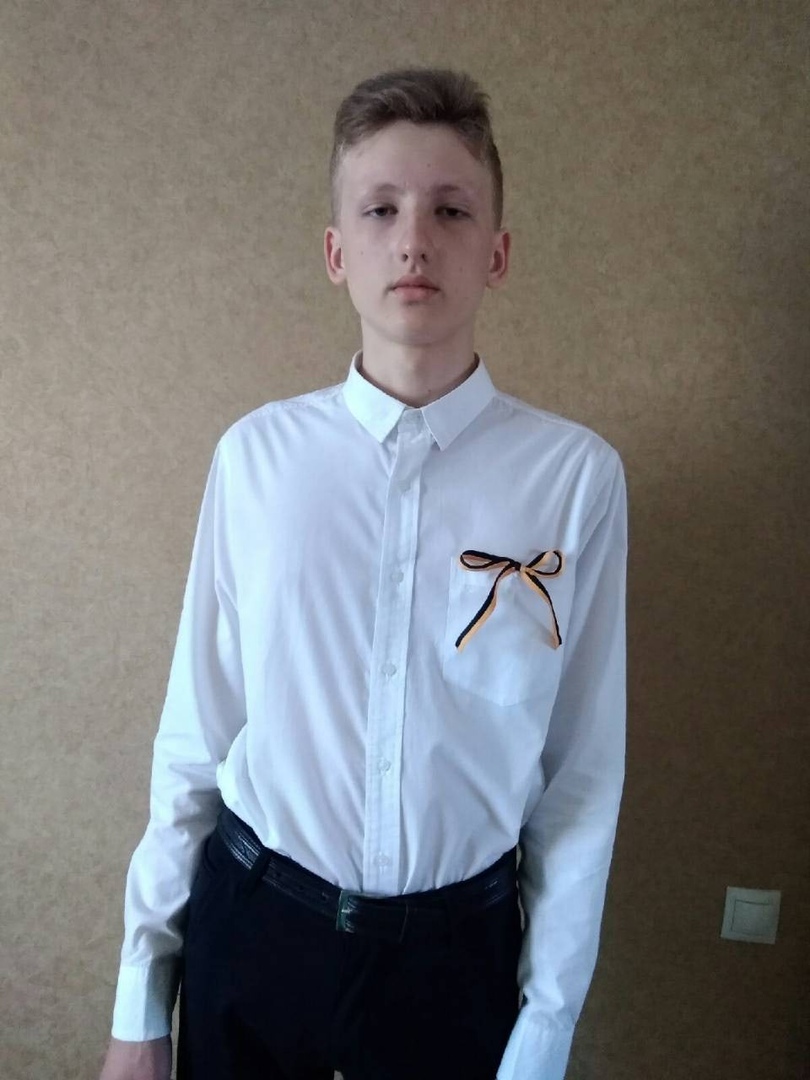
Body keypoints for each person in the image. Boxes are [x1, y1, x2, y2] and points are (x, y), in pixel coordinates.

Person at [99, 67, 627, 1080]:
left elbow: (580, 780)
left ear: (497, 253)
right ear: (337, 252)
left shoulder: (575, 480)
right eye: (381, 209)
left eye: (451, 209)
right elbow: (195, 736)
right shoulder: (255, 460)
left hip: (456, 960)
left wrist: (545, 1036)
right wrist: (139, 1003)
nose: (415, 239)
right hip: (256, 933)